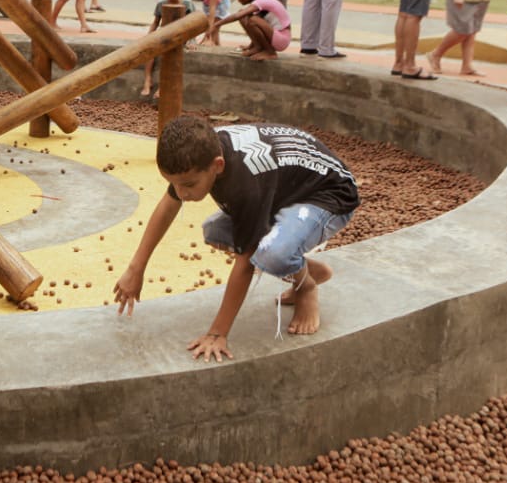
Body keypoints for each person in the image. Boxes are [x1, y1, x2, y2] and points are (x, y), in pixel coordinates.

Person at [114, 116, 360, 355]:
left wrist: (217, 334)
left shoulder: (245, 184)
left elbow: (246, 263)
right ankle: (302, 267)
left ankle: (305, 286)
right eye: (174, 184)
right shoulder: (201, 153)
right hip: (286, 191)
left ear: (217, 165)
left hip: (329, 196)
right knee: (216, 231)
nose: (182, 193)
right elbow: (169, 204)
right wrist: (137, 268)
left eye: (189, 185)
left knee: (270, 255)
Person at [141, 0, 201, 97]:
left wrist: (192, 40)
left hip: (180, 37)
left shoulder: (188, 4)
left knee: (169, 55)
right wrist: (148, 36)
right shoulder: (161, 4)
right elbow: (155, 23)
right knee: (149, 51)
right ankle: (147, 80)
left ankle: (163, 86)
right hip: (163, 35)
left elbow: (193, 25)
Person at [216, 0, 292, 60]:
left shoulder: (260, 2)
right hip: (276, 36)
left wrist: (216, 24)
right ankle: (256, 46)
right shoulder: (259, 0)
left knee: (252, 20)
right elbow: (257, 28)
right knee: (246, 16)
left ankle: (270, 52)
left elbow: (237, 16)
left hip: (282, 39)